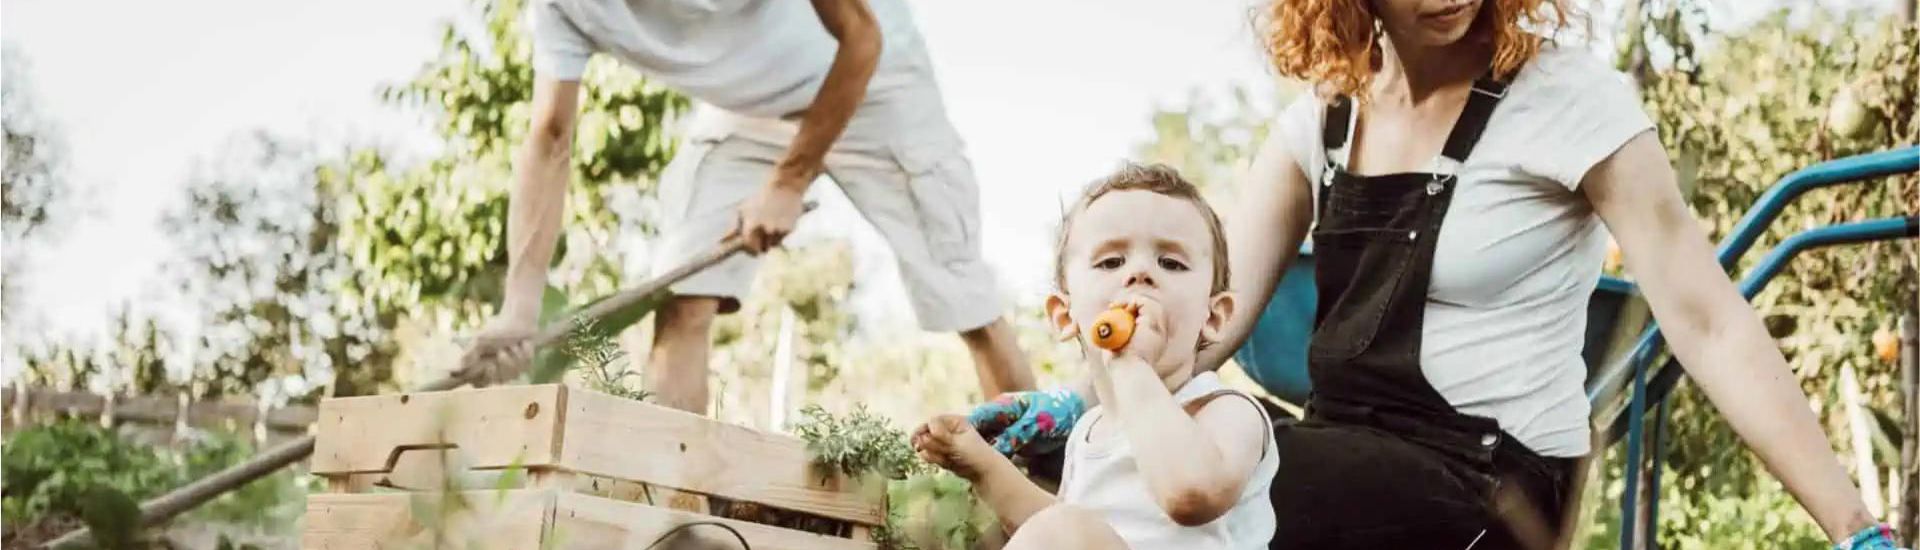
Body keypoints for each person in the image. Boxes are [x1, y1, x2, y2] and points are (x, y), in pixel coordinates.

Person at [966, 1, 1902, 548]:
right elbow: (1203, 327)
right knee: (1118, 470)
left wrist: (1857, 527)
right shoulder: (1318, 126)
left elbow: (1707, 321)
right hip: (1339, 453)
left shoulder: (1568, 102)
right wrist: (1079, 408)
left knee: (1208, 489)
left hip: (1493, 484)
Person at [461, 0, 1034, 413]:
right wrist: (520, 307)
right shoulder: (562, 8)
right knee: (683, 297)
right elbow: (550, 136)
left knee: (963, 298)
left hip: (878, 82)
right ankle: (680, 515)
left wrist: (790, 180)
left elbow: (861, 38)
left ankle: (1051, 493)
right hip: (748, 109)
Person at [916, 164, 1277, 549]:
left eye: (1170, 263)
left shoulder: (1228, 412)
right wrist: (983, 468)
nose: (1140, 274)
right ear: (1064, 314)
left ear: (1214, 316)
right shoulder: (1087, 435)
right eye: (1111, 262)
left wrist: (1132, 364)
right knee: (1058, 525)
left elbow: (1190, 495)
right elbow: (1055, 531)